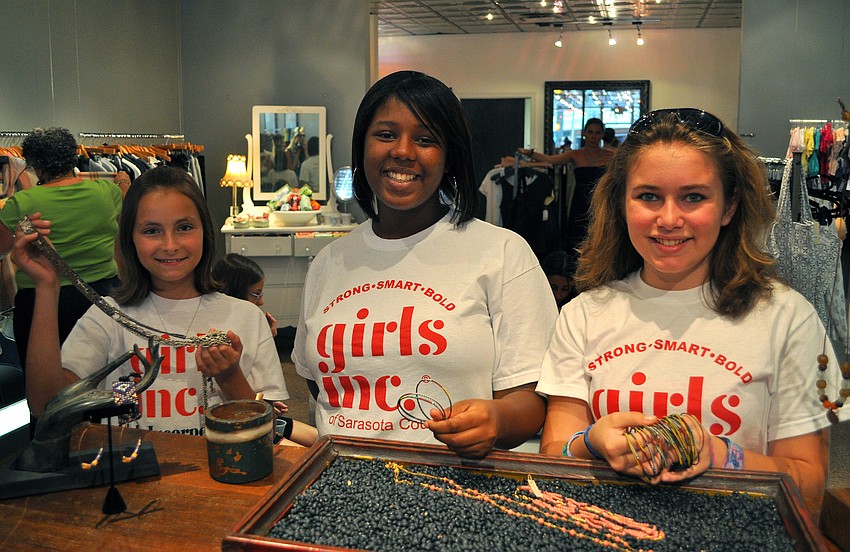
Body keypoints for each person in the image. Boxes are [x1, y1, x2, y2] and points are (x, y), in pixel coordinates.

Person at [536, 108, 841, 518]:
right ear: (622, 204)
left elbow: (809, 485)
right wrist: (591, 442)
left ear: (729, 207)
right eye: (648, 196)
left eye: (693, 197)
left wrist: (720, 455)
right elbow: (555, 455)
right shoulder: (583, 315)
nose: (668, 219)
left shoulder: (790, 319)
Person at [292, 70, 558, 458]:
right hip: (339, 484)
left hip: (451, 487)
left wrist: (496, 419)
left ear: (450, 157)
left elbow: (533, 404)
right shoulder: (330, 261)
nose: (402, 151)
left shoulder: (501, 252)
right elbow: (318, 386)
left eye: (425, 139)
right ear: (362, 146)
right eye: (385, 134)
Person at [13, 165, 290, 435]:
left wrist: (230, 378)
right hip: (131, 477)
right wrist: (47, 287)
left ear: (204, 230)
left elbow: (270, 428)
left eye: (184, 227)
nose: (170, 245)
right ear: (130, 238)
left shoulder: (246, 317)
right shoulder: (108, 316)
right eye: (151, 231)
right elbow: (46, 404)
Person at [0, 127, 125, 375]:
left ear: (35, 164)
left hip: (42, 303)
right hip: (104, 295)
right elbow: (126, 209)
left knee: (45, 380)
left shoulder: (23, 203)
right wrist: (122, 179)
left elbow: (1, 249)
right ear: (72, 157)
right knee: (106, 377)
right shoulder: (106, 192)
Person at [212, 252, 318, 447]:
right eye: (256, 293)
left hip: (259, 410)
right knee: (312, 457)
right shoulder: (225, 337)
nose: (261, 301)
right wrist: (263, 401)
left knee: (325, 441)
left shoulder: (249, 323)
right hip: (242, 423)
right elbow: (232, 391)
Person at [518, 118, 614, 253]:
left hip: (602, 201)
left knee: (602, 237)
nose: (593, 136)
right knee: (578, 237)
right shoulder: (575, 154)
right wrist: (531, 153)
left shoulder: (610, 155)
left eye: (597, 133)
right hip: (580, 202)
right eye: (590, 132)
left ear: (602, 135)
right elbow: (550, 160)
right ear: (584, 133)